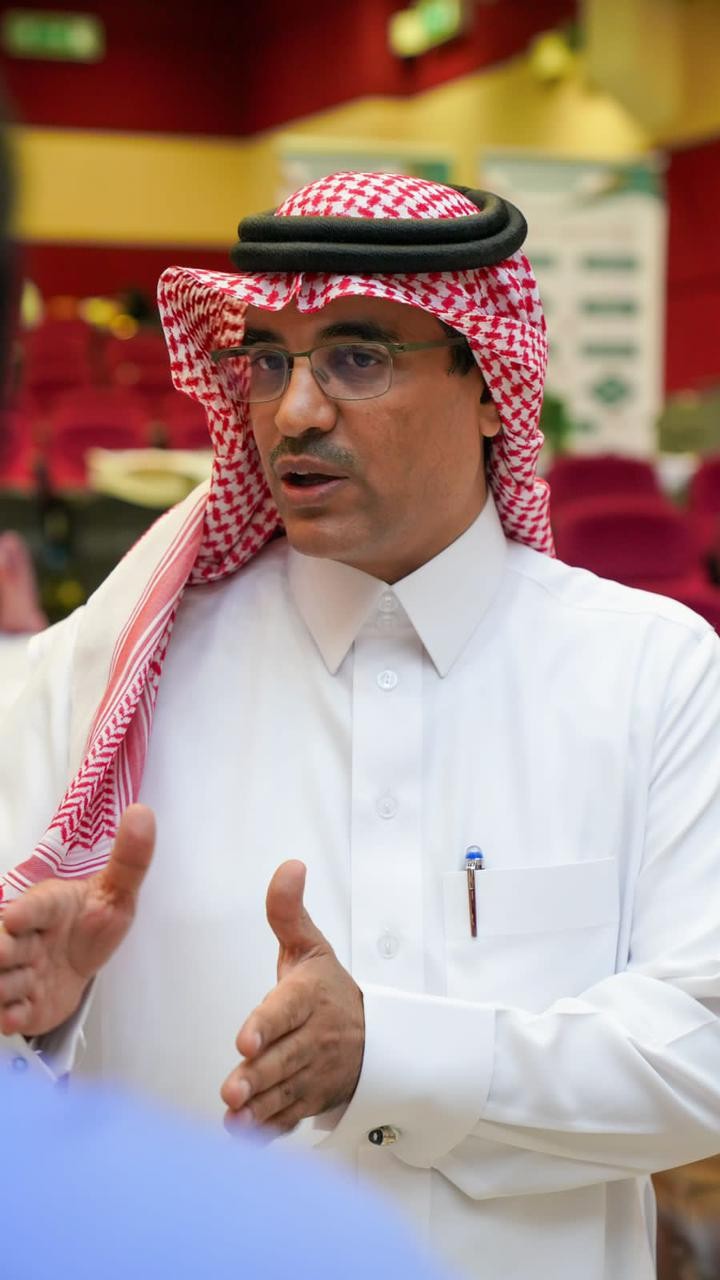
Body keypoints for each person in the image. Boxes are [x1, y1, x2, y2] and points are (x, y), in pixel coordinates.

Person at [0, 170, 719, 1280]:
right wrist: (36, 1022)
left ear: (492, 386)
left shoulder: (650, 672)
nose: (294, 411)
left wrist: (391, 1055)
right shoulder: (106, 678)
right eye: (269, 361)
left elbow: (702, 1050)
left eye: (357, 357)